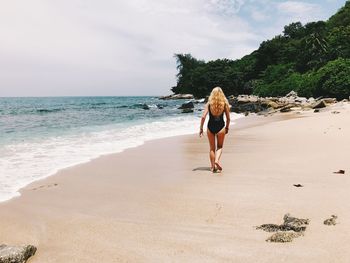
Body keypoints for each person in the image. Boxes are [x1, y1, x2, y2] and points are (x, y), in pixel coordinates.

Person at [199, 87, 230, 173]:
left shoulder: (209, 104)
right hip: (221, 127)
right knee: (219, 146)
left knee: (212, 148)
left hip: (210, 127)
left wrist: (201, 128)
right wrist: (227, 127)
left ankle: (212, 167)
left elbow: (203, 117)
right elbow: (228, 118)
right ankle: (217, 161)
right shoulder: (224, 103)